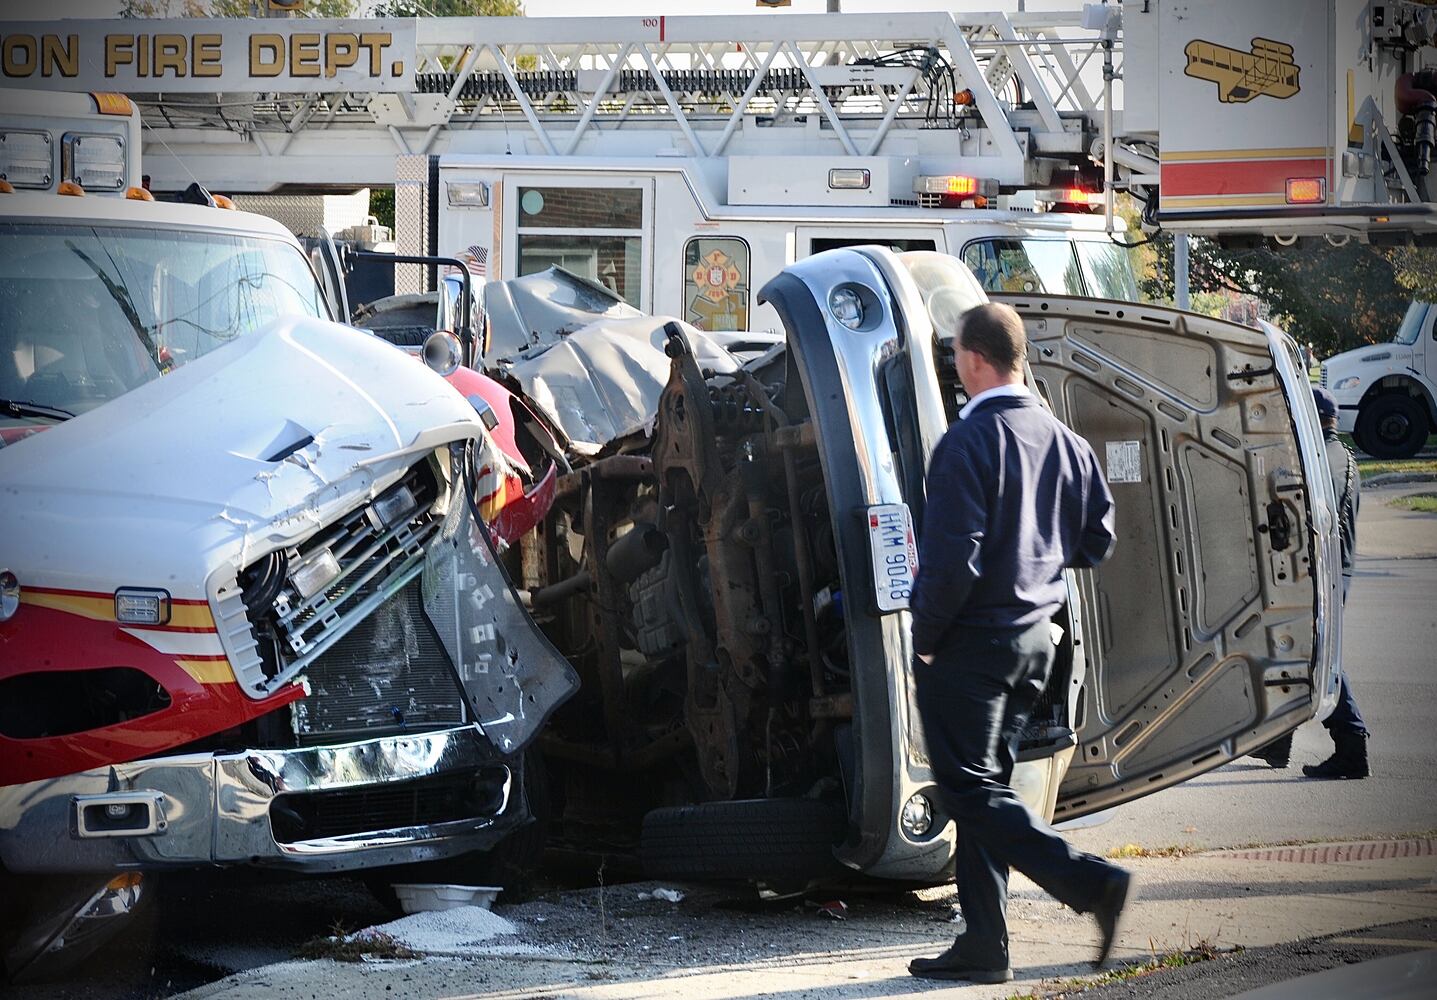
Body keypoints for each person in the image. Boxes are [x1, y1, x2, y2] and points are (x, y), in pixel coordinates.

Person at [907, 303, 1132, 984]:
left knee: (969, 791)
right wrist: (1033, 553)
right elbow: (1097, 540)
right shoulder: (1061, 439)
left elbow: (952, 561)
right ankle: (984, 944)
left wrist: (924, 639)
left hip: (971, 645)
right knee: (988, 792)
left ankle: (1092, 884)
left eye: (953, 355)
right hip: (1036, 640)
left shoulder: (965, 443)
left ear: (971, 359)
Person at [1248, 387, 1369, 777]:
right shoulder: (1345, 458)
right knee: (1296, 652)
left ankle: (1352, 743)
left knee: (1317, 657)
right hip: (1340, 568)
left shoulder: (1313, 461)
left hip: (1318, 574)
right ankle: (1278, 744)